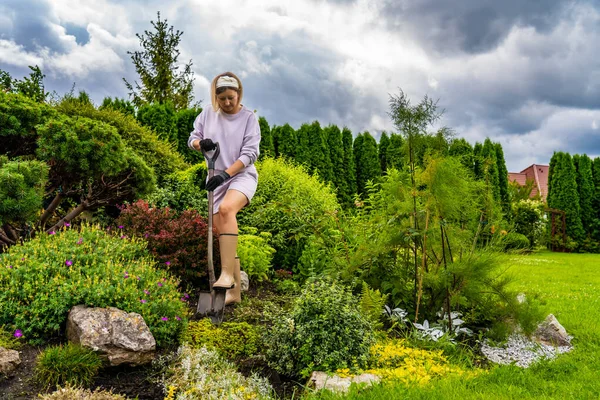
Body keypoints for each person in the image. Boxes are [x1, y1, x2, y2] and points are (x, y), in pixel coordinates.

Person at [188, 72, 260, 304]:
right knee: (222, 232)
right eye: (223, 99)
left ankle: (227, 274)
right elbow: (192, 138)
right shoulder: (208, 113)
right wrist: (201, 143)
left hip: (241, 175)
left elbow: (250, 154)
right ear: (215, 97)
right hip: (216, 177)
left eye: (232, 97)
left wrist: (226, 175)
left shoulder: (249, 117)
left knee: (228, 209)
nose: (228, 103)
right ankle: (234, 293)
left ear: (239, 93)